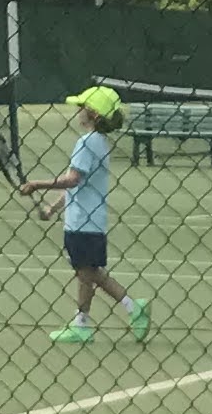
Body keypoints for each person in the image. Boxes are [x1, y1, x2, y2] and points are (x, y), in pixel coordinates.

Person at [21, 85, 146, 342]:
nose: (78, 112)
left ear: (93, 114)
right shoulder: (98, 142)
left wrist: (37, 184)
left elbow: (73, 180)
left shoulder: (87, 142)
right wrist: (52, 209)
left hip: (84, 224)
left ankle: (132, 308)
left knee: (89, 273)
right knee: (85, 273)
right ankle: (82, 324)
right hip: (86, 221)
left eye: (82, 108)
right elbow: (78, 186)